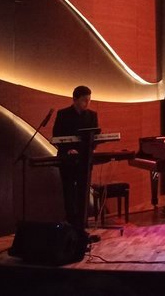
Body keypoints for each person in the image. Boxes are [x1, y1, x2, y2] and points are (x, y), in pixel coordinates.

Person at [52, 85, 98, 228]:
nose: (87, 103)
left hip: (84, 159)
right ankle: (71, 223)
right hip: (67, 159)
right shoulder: (63, 114)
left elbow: (94, 138)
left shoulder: (92, 115)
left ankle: (82, 223)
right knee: (69, 191)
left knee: (83, 191)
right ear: (75, 99)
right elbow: (57, 137)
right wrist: (69, 149)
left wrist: (87, 150)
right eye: (84, 100)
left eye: (89, 100)